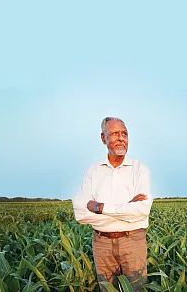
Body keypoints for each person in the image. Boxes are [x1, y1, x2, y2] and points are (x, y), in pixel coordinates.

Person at [72, 117, 153, 292]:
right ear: (103, 138)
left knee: (137, 289)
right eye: (115, 133)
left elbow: (141, 211)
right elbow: (81, 213)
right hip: (101, 242)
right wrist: (126, 207)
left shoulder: (140, 169)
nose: (121, 138)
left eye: (124, 133)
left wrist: (100, 208)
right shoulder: (93, 171)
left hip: (133, 241)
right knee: (107, 290)